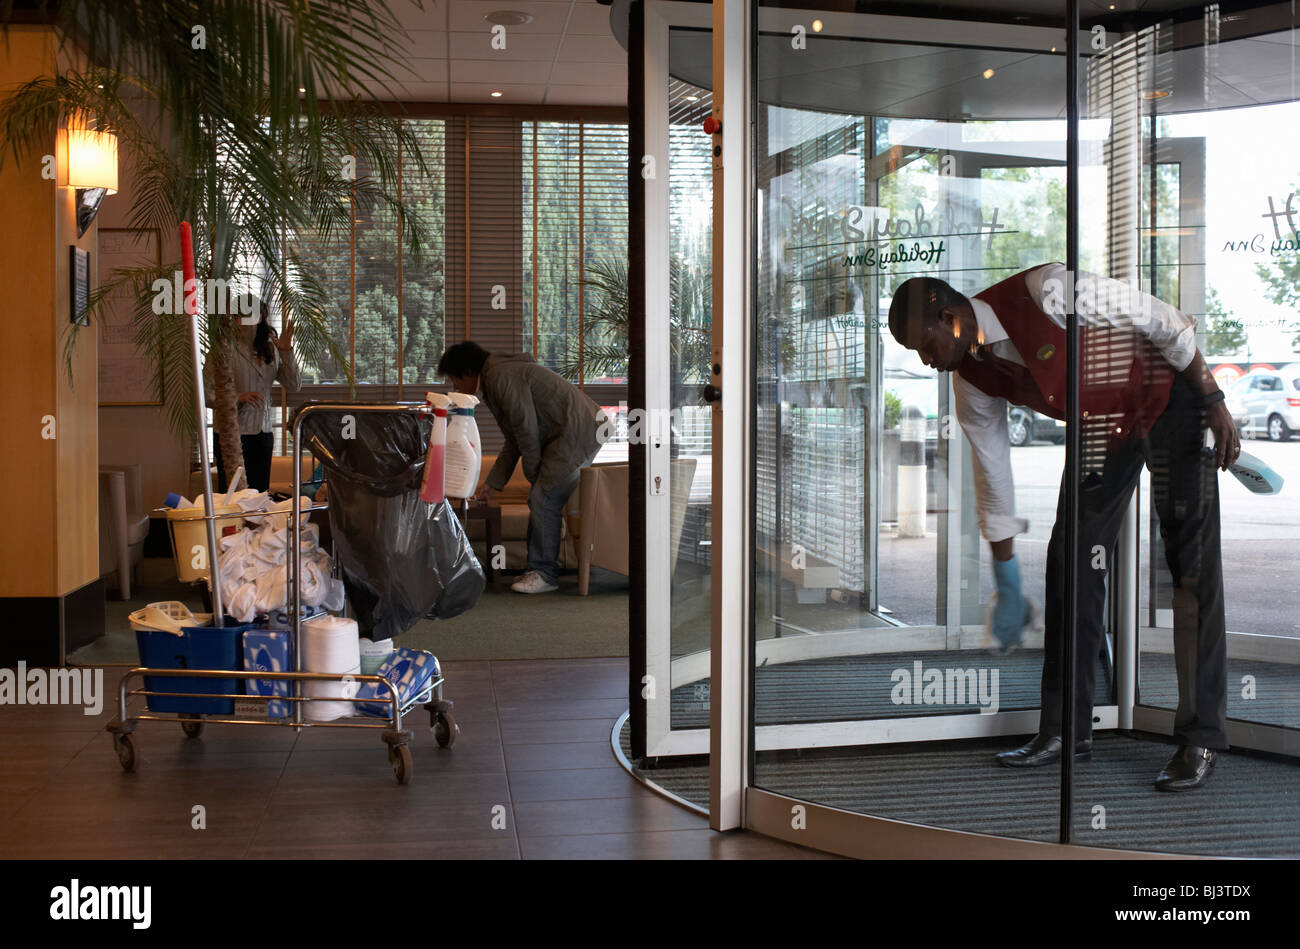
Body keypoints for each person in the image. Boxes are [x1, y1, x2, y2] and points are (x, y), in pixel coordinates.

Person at [887, 263, 1238, 791]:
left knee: (1191, 571)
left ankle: (1201, 736)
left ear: (950, 318)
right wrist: (1005, 576)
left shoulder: (1047, 289)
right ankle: (1065, 730)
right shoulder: (970, 378)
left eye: (925, 345)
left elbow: (1162, 320)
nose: (926, 360)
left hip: (1172, 404)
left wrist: (1213, 399)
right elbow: (993, 470)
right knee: (1071, 563)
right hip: (1102, 428)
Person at [437, 341, 606, 594]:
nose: (456, 388)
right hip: (578, 429)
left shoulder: (501, 377)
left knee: (543, 497)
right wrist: (492, 485)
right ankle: (540, 570)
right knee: (542, 495)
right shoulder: (497, 378)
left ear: (468, 372)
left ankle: (544, 574)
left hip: (577, 431)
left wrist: (532, 473)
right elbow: (514, 440)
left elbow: (526, 432)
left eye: (454, 380)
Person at [203, 298, 301, 493]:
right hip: (231, 434)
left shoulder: (271, 348)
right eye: (238, 316)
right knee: (232, 494)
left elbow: (294, 385)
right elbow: (204, 392)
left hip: (263, 433)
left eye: (250, 315)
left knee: (259, 495)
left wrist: (286, 351)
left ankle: (258, 525)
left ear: (261, 317)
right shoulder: (223, 348)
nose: (243, 320)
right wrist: (237, 398)